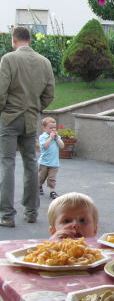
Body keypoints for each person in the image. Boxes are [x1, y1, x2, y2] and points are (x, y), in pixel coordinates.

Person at [0, 26, 55, 227]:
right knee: (30, 163)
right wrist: (36, 109)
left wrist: (3, 111)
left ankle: (7, 215)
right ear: (29, 40)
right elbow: (49, 93)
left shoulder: (8, 59)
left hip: (9, 117)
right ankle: (31, 212)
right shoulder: (44, 62)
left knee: (7, 163)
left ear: (14, 40)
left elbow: (1, 91)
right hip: (31, 119)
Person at [38, 117, 65, 200]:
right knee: (41, 177)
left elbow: (62, 146)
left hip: (54, 163)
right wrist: (50, 138)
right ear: (44, 128)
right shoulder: (43, 137)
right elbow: (45, 146)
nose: (53, 129)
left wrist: (57, 139)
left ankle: (52, 191)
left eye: (54, 127)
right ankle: (39, 186)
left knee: (51, 178)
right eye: (51, 128)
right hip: (44, 162)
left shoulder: (57, 137)